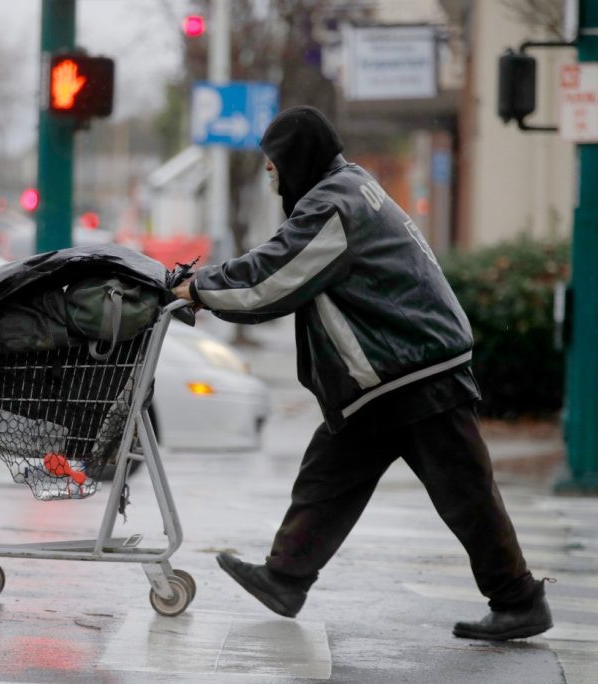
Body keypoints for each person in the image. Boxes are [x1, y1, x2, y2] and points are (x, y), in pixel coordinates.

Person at [172, 105, 553, 641]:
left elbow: (274, 279)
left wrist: (200, 288)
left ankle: (518, 600)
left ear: (297, 159)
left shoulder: (334, 206)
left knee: (465, 493)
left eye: (274, 162)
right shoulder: (350, 188)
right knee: (329, 473)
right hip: (389, 373)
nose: (270, 172)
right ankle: (285, 577)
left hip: (413, 369)